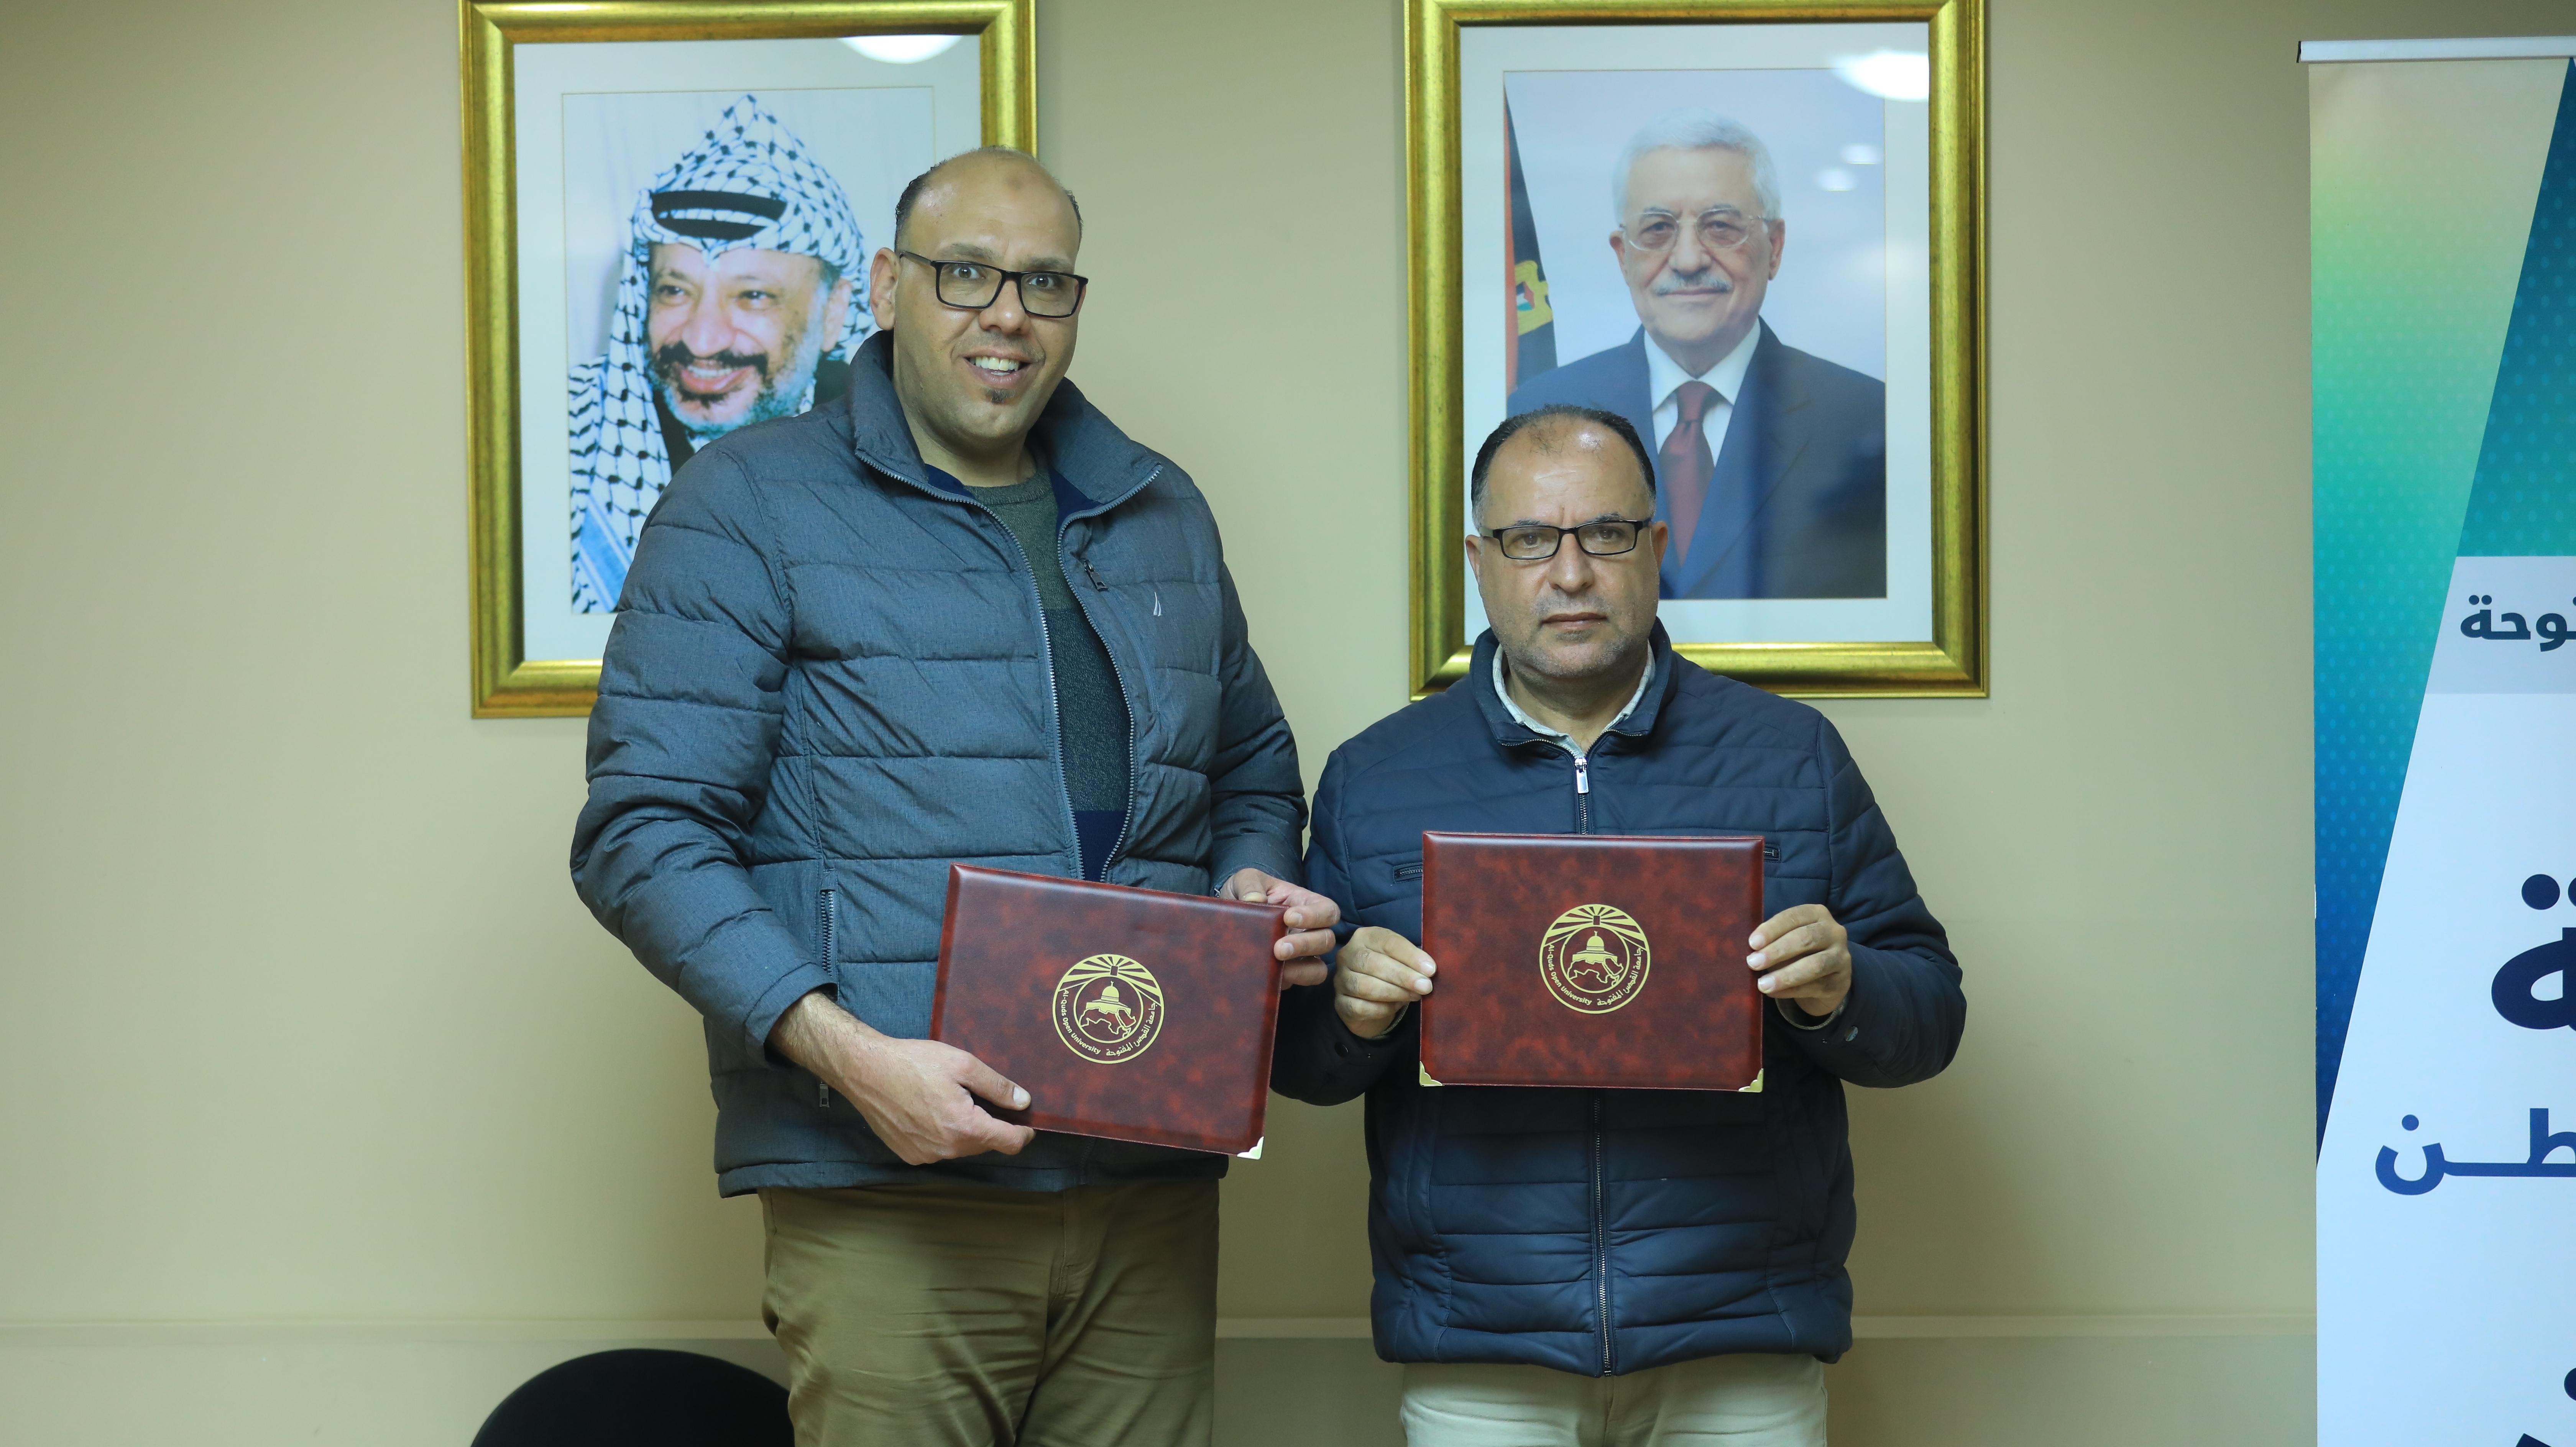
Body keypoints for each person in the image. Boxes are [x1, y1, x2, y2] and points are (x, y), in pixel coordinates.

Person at [570, 145, 1341, 1447]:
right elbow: (644, 834)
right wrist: (850, 1057)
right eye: (966, 273)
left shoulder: (1160, 509)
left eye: (1045, 281)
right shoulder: (746, 505)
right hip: (888, 1188)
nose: (1008, 314)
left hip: (1147, 1181)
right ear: (885, 287)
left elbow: (1250, 768)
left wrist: (1251, 882)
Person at [1272, 405, 1963, 1446]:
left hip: (1739, 1338)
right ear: (1480, 562)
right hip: (1482, 1347)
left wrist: (1844, 988)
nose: (1571, 573)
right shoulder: (1376, 776)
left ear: (1656, 547)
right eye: (1529, 539)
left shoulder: (1791, 758)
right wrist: (1350, 1013)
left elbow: (1932, 1016)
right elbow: (1299, 1061)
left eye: (1606, 533)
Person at [1506, 113, 1886, 600]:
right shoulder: (1539, 411)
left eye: (1721, 226)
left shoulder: (1865, 416)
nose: (1688, 260)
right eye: (1657, 228)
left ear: (1774, 248)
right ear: (1623, 256)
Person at [569, 94, 871, 612]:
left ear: (833, 312)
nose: (702, 340)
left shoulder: (895, 451)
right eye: (674, 290)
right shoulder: (567, 430)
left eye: (752, 295)